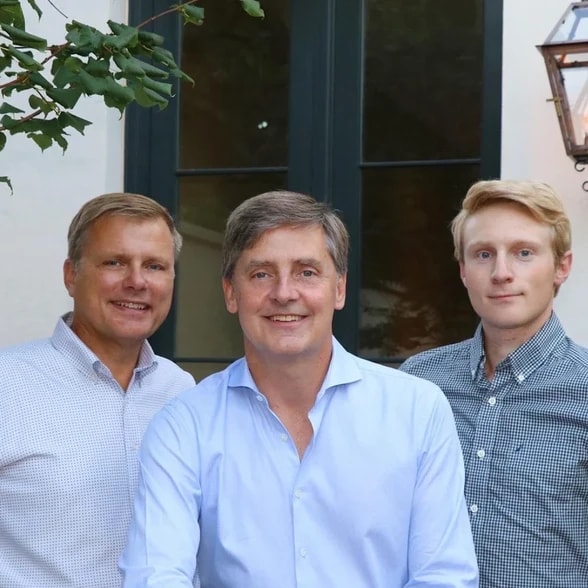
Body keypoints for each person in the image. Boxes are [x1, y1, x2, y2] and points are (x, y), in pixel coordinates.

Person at [120, 190, 478, 588]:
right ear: (231, 292)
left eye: (306, 272)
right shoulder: (183, 427)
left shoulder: (417, 411)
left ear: (339, 288)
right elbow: (155, 576)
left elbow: (443, 576)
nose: (284, 292)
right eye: (261, 274)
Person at [0, 193, 195, 588]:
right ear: (71, 275)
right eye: (115, 262)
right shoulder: (8, 384)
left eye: (154, 266)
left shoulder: (182, 391)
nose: (137, 282)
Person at [400, 179, 588, 587]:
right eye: (484, 254)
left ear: (562, 267)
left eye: (524, 253)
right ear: (463, 271)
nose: (501, 273)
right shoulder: (419, 381)